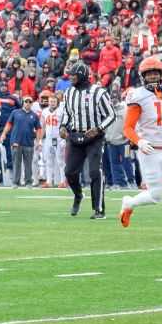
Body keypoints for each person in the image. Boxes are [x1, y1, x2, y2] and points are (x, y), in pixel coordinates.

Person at [119, 56, 162, 239]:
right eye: (148, 75)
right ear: (143, 76)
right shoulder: (138, 95)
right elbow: (127, 127)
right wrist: (140, 141)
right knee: (156, 196)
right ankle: (129, 203)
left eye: (154, 74)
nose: (152, 78)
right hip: (149, 151)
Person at [61, 61, 115, 219]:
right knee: (69, 172)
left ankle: (99, 209)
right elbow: (66, 112)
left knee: (94, 171)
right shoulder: (69, 92)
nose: (71, 78)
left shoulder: (99, 92)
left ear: (83, 75)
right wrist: (63, 126)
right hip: (75, 136)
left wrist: (98, 129)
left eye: (74, 76)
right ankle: (78, 195)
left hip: (94, 138)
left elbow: (111, 115)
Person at [2, 97, 41, 187]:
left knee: (28, 164)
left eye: (30, 102)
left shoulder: (34, 115)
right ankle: (15, 182)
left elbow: (38, 129)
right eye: (26, 101)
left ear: (32, 103)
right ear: (23, 103)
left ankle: (28, 182)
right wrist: (4, 134)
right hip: (16, 142)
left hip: (29, 142)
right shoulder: (15, 112)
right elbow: (9, 124)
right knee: (16, 163)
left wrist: (38, 141)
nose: (27, 103)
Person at [38, 94, 65, 188]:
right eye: (50, 101)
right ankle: (49, 181)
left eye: (54, 101)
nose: (52, 103)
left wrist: (64, 139)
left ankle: (63, 181)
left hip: (58, 138)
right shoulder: (44, 111)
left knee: (60, 160)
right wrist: (40, 140)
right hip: (49, 139)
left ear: (57, 102)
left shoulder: (61, 111)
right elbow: (43, 126)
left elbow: (65, 125)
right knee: (48, 160)